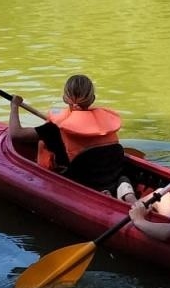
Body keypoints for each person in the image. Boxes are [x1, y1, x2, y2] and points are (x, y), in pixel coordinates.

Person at [7, 75, 136, 202]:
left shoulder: (54, 128)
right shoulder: (105, 124)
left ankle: (103, 193)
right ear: (92, 99)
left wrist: (14, 106)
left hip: (85, 182)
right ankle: (126, 191)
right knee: (122, 178)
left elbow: (16, 134)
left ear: (65, 98)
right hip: (113, 176)